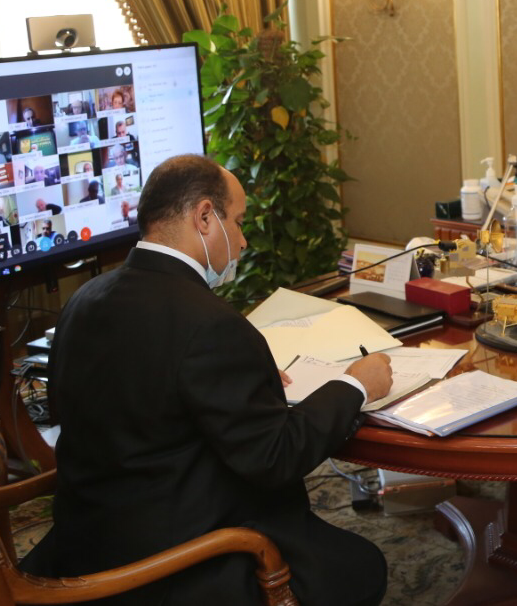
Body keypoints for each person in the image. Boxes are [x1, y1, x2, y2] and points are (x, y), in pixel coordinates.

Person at [23, 154, 392, 605]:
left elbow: (140, 394)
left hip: (84, 545)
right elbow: (275, 457)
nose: (242, 240)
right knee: (363, 567)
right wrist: (355, 384)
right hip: (174, 567)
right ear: (204, 217)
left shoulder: (83, 299)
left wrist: (245, 381)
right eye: (237, 222)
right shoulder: (210, 323)